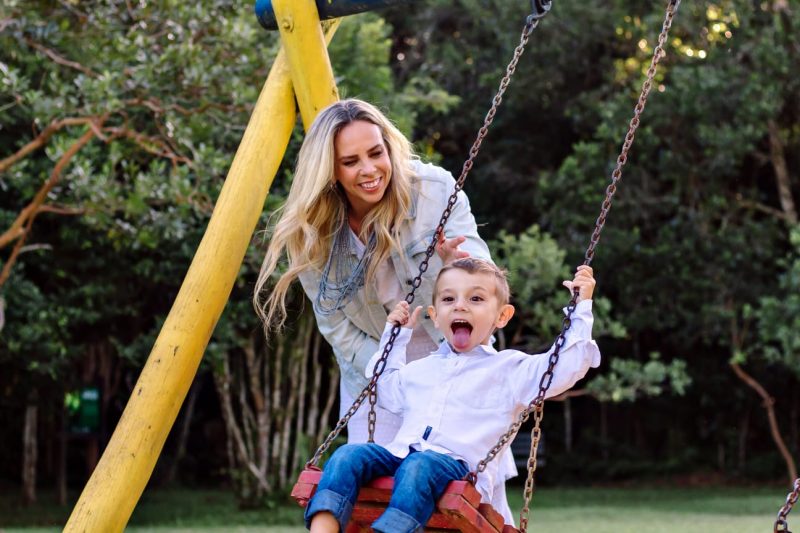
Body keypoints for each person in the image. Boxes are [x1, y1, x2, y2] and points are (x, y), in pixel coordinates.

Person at [254, 98, 516, 519]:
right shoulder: (312, 233)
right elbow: (335, 326)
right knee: (368, 497)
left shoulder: (433, 191)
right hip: (373, 369)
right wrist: (386, 372)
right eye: (351, 161)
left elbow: (485, 286)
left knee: (470, 502)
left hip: (455, 359)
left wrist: (453, 267)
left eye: (376, 153)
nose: (370, 169)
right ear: (330, 171)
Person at [304, 258, 601, 533]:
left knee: (420, 465)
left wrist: (581, 307)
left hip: (456, 466)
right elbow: (384, 390)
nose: (460, 306)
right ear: (434, 316)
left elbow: (565, 366)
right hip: (400, 454)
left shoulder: (510, 369)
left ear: (502, 316)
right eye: (448, 299)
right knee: (348, 454)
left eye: (476, 298)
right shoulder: (421, 369)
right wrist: (395, 337)